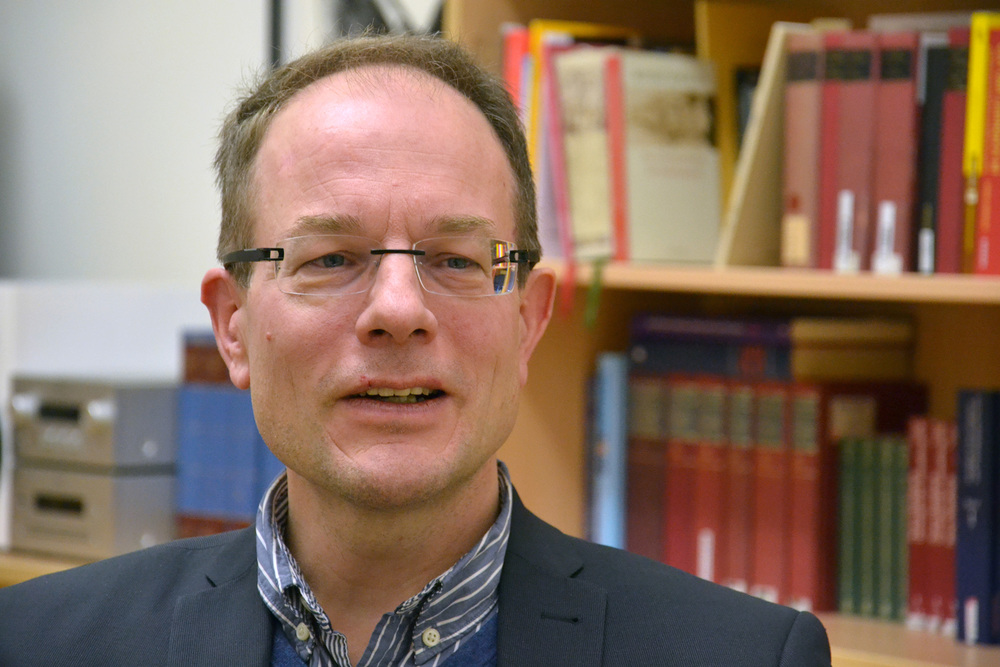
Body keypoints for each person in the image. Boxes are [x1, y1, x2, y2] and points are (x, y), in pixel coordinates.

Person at [0, 34, 831, 666]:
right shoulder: (38, 641)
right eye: (330, 258)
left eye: (456, 260)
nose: (399, 311)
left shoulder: (746, 657)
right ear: (233, 326)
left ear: (528, 320)